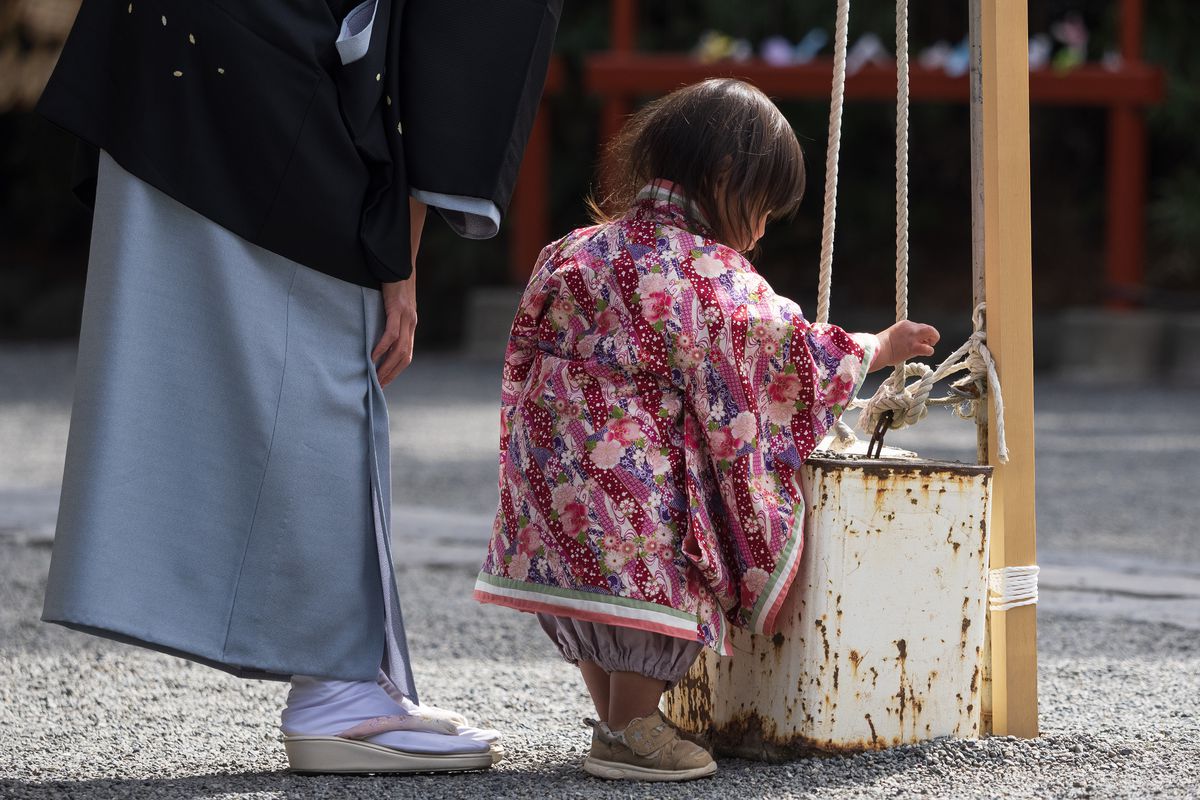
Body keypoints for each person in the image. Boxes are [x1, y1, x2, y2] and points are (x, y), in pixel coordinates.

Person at [37, 0, 561, 775]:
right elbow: (452, 58)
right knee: (329, 347)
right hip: (243, 45)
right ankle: (340, 691)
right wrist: (398, 255)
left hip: (172, 35)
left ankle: (359, 673)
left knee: (274, 344)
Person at [474, 78, 940, 782]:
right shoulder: (710, 277)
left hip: (552, 468)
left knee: (599, 600)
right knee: (667, 576)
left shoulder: (575, 249)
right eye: (760, 209)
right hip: (631, 477)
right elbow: (790, 360)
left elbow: (521, 355)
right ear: (724, 180)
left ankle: (616, 722)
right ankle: (633, 725)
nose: (759, 231)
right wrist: (878, 347)